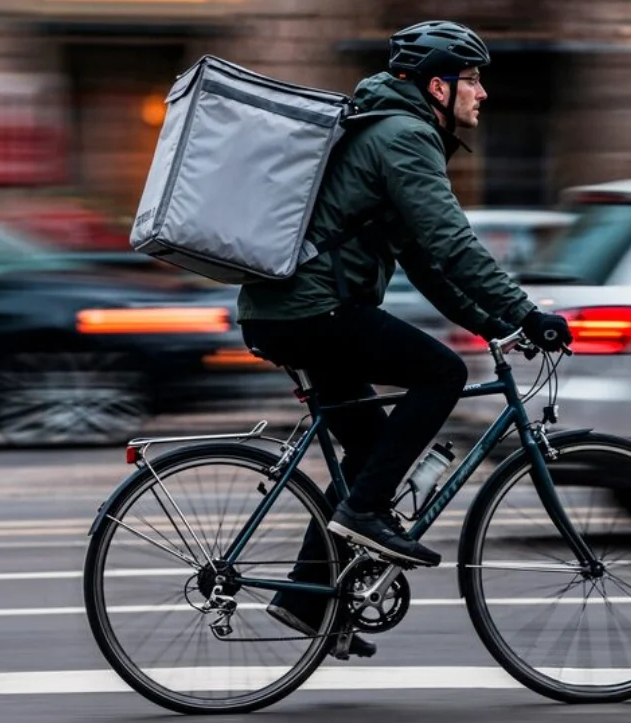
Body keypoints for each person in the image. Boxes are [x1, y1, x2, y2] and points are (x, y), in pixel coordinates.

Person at [237, 20, 573, 657]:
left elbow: (426, 261)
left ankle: (310, 603)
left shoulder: (391, 131)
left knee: (370, 457)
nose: (482, 94)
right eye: (472, 80)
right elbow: (454, 242)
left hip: (294, 310)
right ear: (438, 87)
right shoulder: (405, 135)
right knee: (440, 375)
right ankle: (361, 520)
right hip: (315, 310)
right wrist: (526, 311)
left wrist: (495, 323)